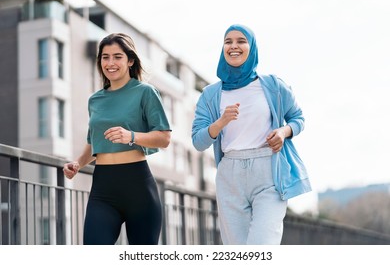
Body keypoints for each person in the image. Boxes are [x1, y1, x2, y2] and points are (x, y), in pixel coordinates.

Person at [192, 24, 311, 245]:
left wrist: (284, 131)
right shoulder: (210, 94)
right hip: (230, 175)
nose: (234, 46)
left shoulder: (273, 85)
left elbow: (298, 118)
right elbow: (198, 141)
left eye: (241, 41)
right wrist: (221, 122)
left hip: (269, 171)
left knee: (263, 245)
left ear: (252, 47)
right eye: (228, 42)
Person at [63, 33, 171, 245]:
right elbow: (93, 143)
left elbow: (164, 137)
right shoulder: (95, 100)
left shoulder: (145, 92)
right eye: (105, 57)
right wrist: (77, 163)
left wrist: (130, 136)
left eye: (117, 57)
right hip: (103, 188)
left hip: (138, 186)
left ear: (130, 60)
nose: (110, 63)